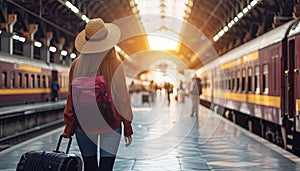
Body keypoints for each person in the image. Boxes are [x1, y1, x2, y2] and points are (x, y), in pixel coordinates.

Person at [62, 18, 134, 171]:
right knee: (106, 168)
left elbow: (71, 99)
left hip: (84, 124)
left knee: (90, 167)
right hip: (111, 123)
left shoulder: (77, 64)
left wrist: (69, 128)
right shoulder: (115, 63)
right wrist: (127, 126)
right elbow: (122, 98)